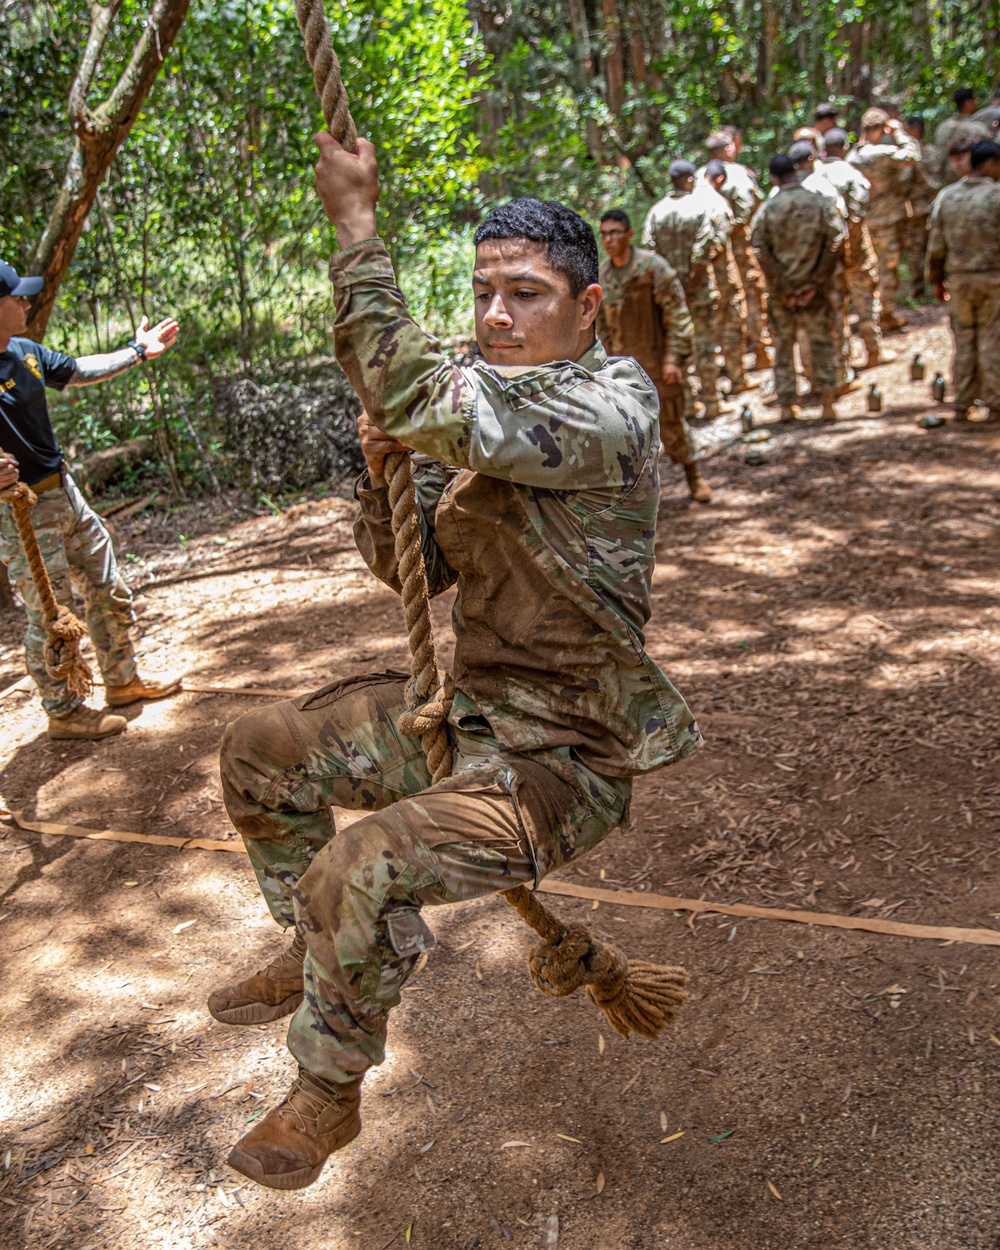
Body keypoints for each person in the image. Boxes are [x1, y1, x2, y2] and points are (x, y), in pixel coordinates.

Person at [211, 142, 704, 1192]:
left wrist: (355, 225)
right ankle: (314, 947)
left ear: (588, 306)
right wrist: (381, 472)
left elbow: (403, 379)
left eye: (525, 293)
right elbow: (409, 569)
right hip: (468, 716)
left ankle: (326, 1089)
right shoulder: (489, 404)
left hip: (560, 759)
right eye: (483, 291)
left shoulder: (605, 406)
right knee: (259, 750)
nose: (495, 315)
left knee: (363, 862)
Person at [0, 261, 181, 739]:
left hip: (64, 493)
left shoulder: (24, 351)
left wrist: (137, 352)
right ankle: (63, 710)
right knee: (52, 617)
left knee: (108, 587)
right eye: (16, 297)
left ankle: (123, 681)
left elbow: (78, 370)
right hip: (19, 514)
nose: (26, 302)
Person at [595, 209, 712, 502]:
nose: (609, 239)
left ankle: (693, 476)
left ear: (629, 234)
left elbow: (677, 316)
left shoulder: (652, 268)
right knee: (624, 434)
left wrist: (674, 358)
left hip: (657, 364)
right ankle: (636, 497)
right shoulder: (602, 275)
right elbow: (600, 326)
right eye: (604, 233)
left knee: (671, 424)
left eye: (615, 233)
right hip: (621, 370)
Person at [750, 154, 845, 422]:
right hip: (815, 290)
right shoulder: (819, 203)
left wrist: (782, 287)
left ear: (773, 178)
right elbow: (836, 239)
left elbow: (759, 248)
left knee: (782, 347)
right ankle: (827, 403)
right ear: (795, 172)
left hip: (783, 295)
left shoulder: (767, 210)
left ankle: (787, 406)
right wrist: (815, 282)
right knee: (822, 342)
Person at [642, 159, 731, 419]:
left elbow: (650, 253)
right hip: (699, 290)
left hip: (668, 296)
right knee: (704, 345)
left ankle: (689, 403)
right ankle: (712, 401)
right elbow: (704, 250)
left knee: (678, 347)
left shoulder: (656, 211)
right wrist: (692, 286)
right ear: (690, 179)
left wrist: (671, 289)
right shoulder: (701, 206)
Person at [926, 139, 1000, 423]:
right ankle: (994, 404)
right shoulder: (995, 195)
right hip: (993, 279)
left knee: (964, 340)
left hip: (958, 281)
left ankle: (962, 402)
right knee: (992, 340)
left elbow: (935, 246)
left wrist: (936, 281)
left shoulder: (946, 197)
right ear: (991, 163)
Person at [699, 130, 771, 368]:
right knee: (751, 294)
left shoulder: (698, 177)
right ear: (727, 149)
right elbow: (752, 207)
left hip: (711, 252)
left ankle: (728, 356)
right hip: (740, 247)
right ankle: (759, 350)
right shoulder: (738, 174)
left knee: (721, 300)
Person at [820, 128, 889, 367]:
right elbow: (857, 213)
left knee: (836, 307)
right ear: (845, 148)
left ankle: (843, 358)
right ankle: (873, 351)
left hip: (827, 255)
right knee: (866, 301)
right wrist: (851, 249)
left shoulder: (814, 177)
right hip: (855, 250)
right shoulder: (850, 172)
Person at [847, 108, 920, 332]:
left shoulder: (853, 156)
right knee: (887, 268)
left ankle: (868, 314)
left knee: (868, 270)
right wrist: (899, 132)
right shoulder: (883, 153)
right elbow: (913, 155)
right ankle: (885, 314)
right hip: (887, 220)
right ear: (882, 129)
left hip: (864, 222)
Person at [702, 160, 754, 396]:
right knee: (732, 324)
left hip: (691, 285)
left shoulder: (672, 207)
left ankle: (707, 392)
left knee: (701, 335)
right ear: (720, 180)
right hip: (721, 278)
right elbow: (720, 243)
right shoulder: (717, 204)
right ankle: (737, 378)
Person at [902, 116, 940, 299]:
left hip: (916, 209)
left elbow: (904, 181)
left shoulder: (909, 155)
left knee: (915, 249)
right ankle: (938, 283)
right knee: (933, 245)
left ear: (913, 129)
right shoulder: (934, 152)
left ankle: (918, 288)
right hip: (934, 206)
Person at [933, 88, 992, 186]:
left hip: (947, 182)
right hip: (972, 183)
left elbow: (938, 157)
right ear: (969, 102)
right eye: (975, 101)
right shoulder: (978, 129)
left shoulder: (942, 128)